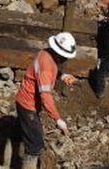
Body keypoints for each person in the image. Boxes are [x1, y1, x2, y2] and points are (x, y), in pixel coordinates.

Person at [15, 32, 77, 169]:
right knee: (35, 145)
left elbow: (48, 71)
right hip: (27, 105)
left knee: (27, 136)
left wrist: (62, 75)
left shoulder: (46, 53)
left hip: (26, 101)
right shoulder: (47, 67)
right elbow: (46, 96)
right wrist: (58, 119)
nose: (66, 59)